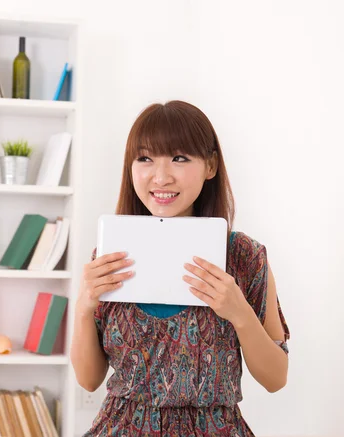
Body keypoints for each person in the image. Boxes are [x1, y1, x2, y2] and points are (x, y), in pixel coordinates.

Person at [71, 100, 290, 436]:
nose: (161, 176)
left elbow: (276, 379)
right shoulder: (111, 252)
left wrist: (239, 313)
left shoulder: (245, 256)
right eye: (144, 158)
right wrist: (84, 307)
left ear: (211, 165)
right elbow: (88, 380)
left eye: (179, 158)